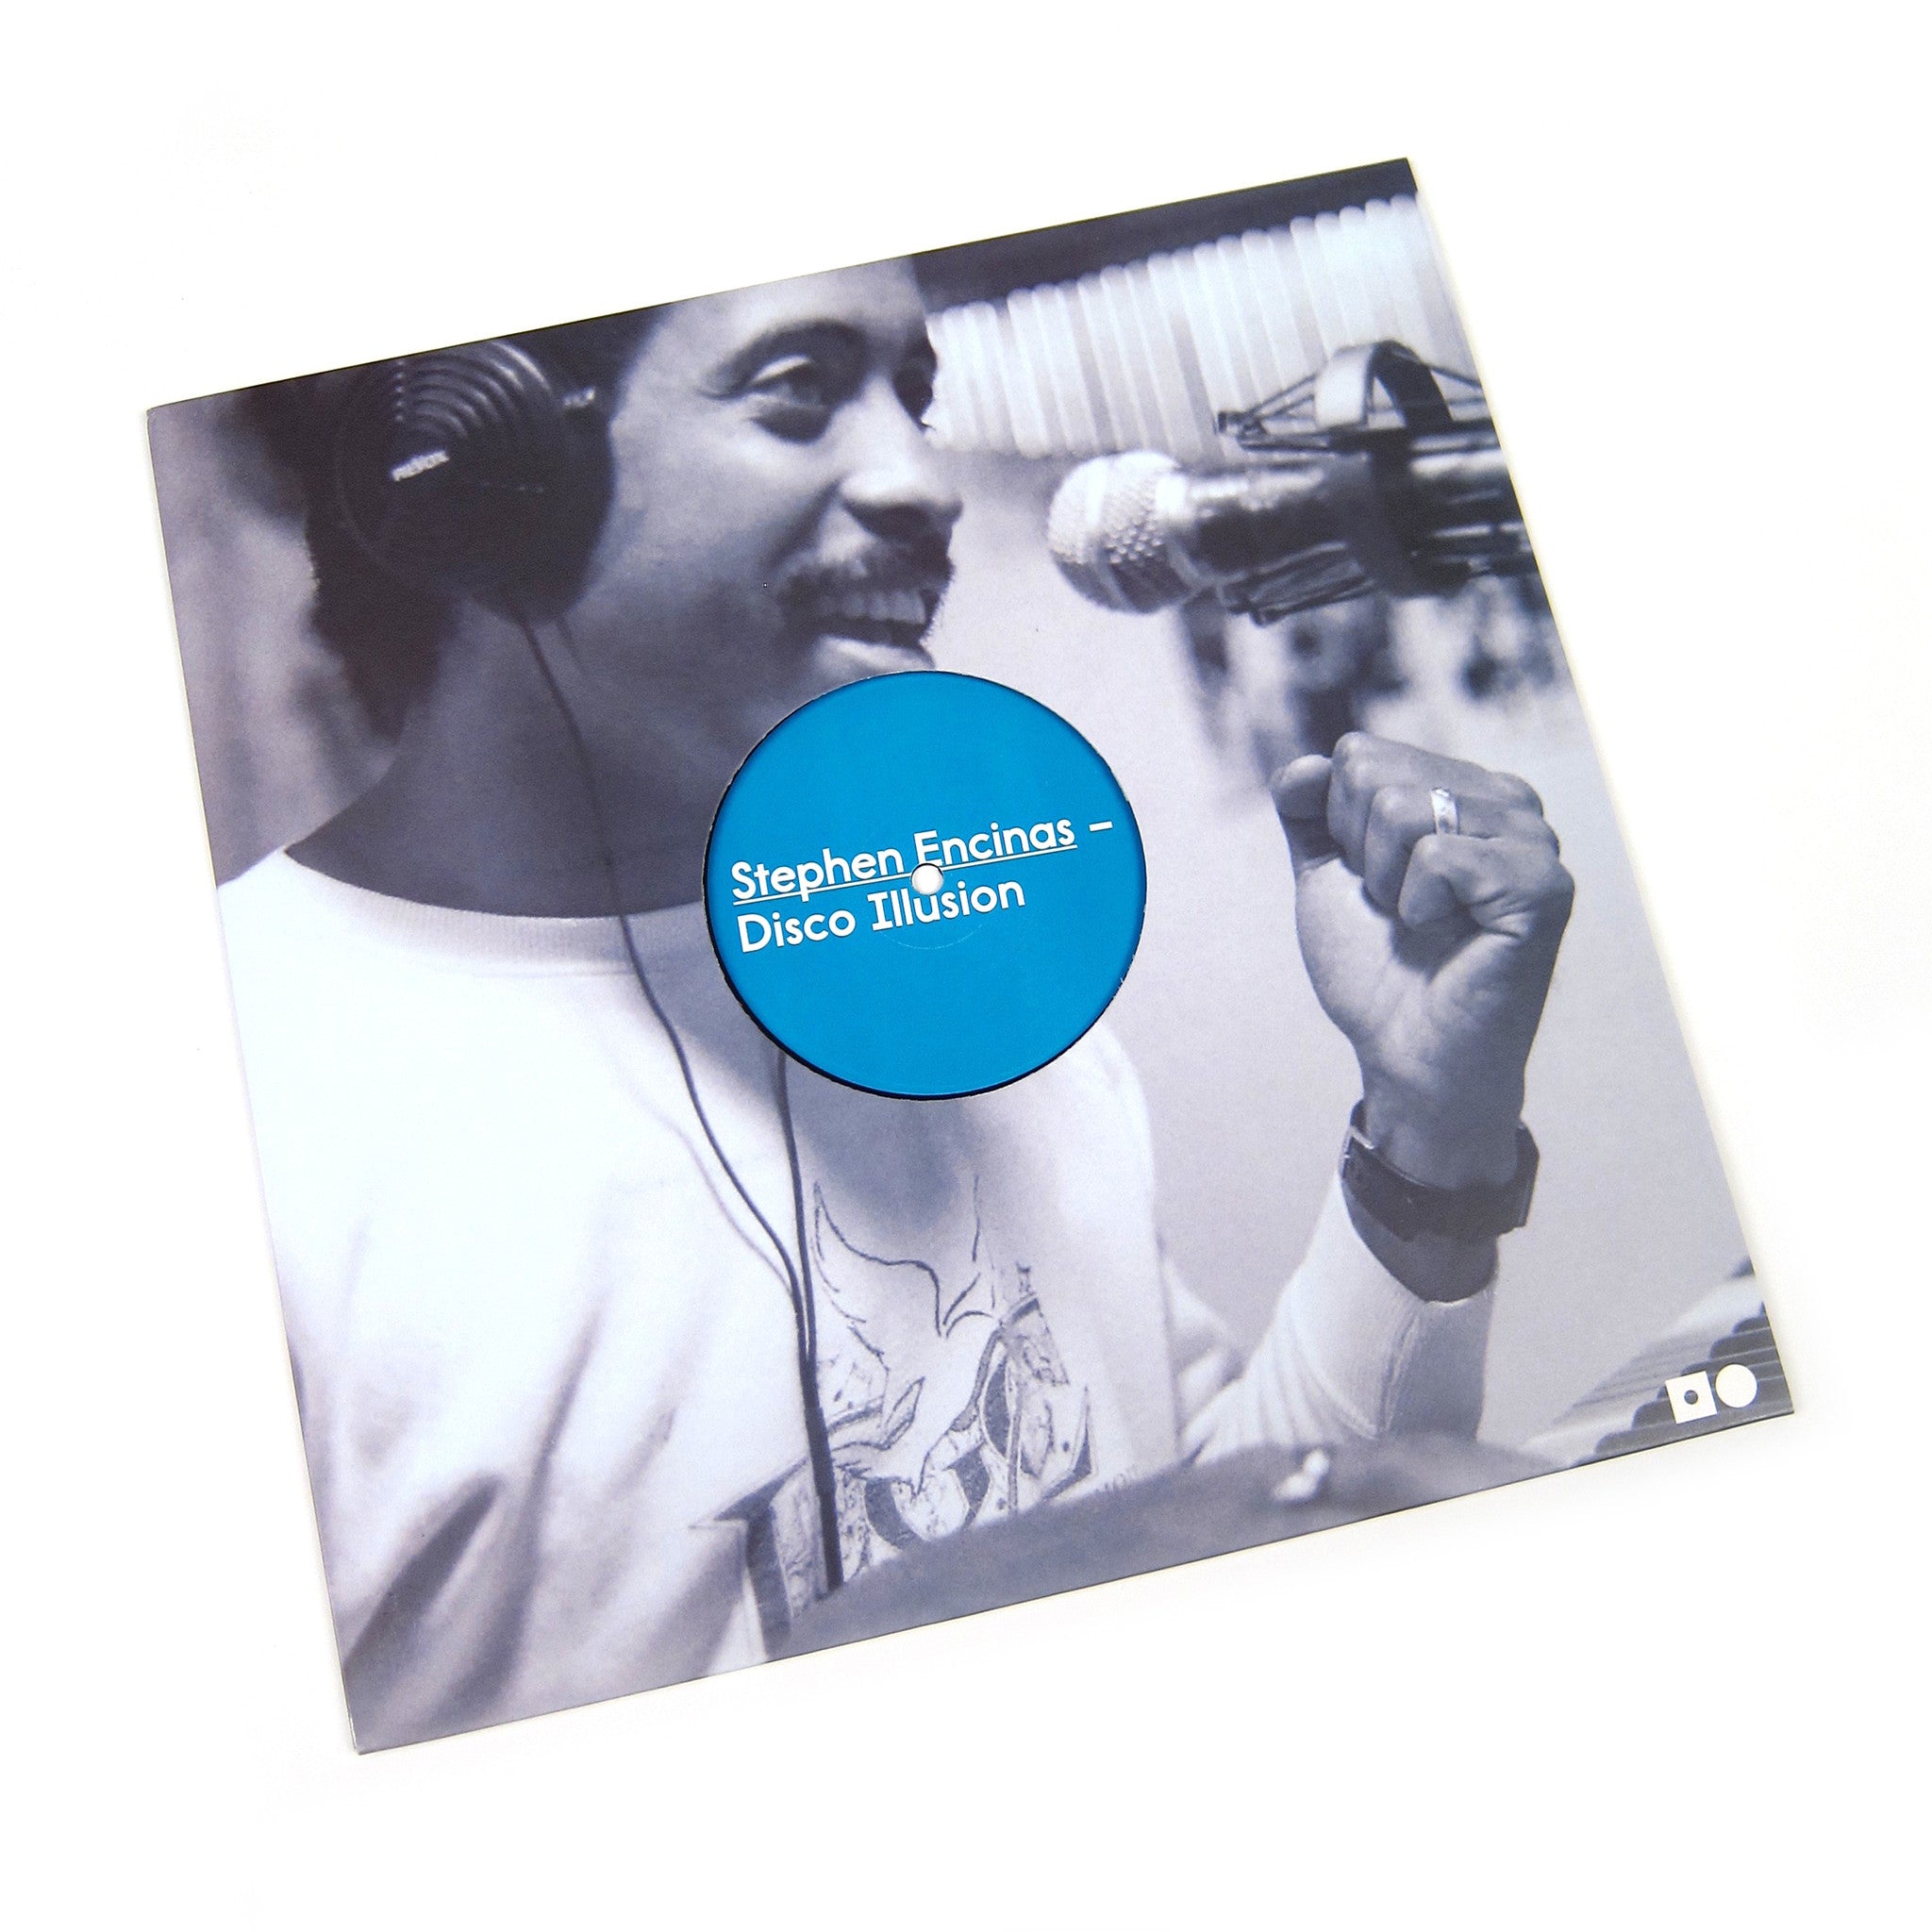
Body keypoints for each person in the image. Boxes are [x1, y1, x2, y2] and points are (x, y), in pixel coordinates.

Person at [215, 258, 1574, 1749]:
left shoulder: (951, 941)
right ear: (484, 478)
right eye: (799, 393)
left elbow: (1212, 1536)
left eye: (912, 399)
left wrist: (1429, 1135)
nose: (924, 482)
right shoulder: (222, 1110)